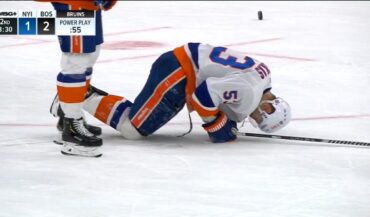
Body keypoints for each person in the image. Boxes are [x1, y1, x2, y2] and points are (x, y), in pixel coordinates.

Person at [79, 42, 292, 156]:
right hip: (179, 70)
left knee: (137, 123)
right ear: (267, 108)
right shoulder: (249, 92)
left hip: (183, 65)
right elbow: (203, 96)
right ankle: (75, 97)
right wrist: (216, 124)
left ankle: (75, 100)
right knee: (132, 129)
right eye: (258, 117)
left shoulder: (264, 78)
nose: (252, 116)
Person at [35, 0, 117, 157]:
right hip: (73, 3)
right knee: (77, 61)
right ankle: (71, 129)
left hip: (89, 4)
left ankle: (68, 116)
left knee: (90, 55)